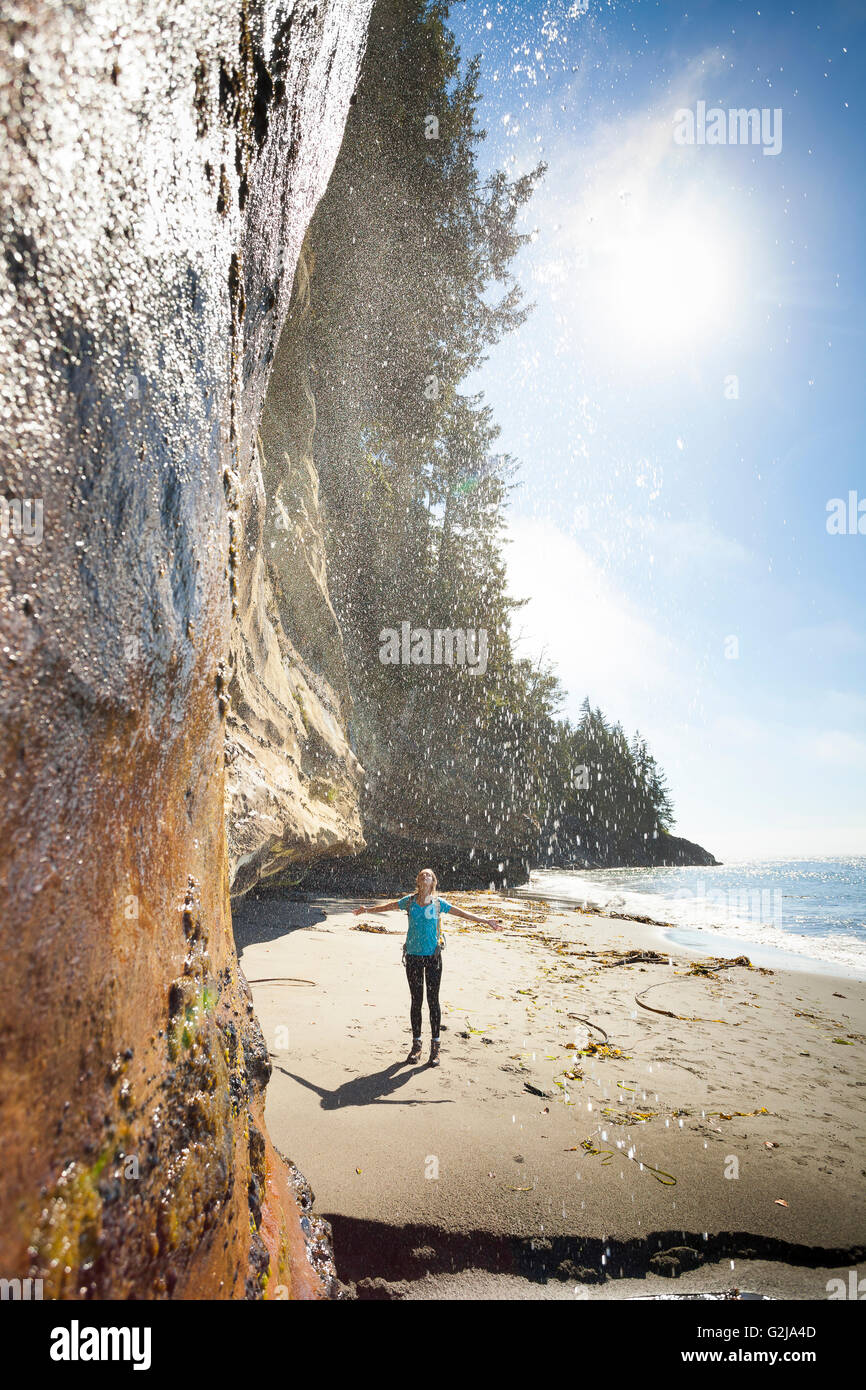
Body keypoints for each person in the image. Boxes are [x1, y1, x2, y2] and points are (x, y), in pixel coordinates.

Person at [352, 868, 502, 1067]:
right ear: (418, 880)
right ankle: (416, 1046)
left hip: (433, 957)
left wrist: (485, 921)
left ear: (433, 881)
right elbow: (389, 906)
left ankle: (435, 1047)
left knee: (433, 1001)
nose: (425, 876)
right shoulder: (410, 901)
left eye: (428, 875)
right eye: (422, 875)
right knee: (416, 1000)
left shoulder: (439, 904)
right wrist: (367, 910)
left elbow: (462, 913)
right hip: (413, 956)